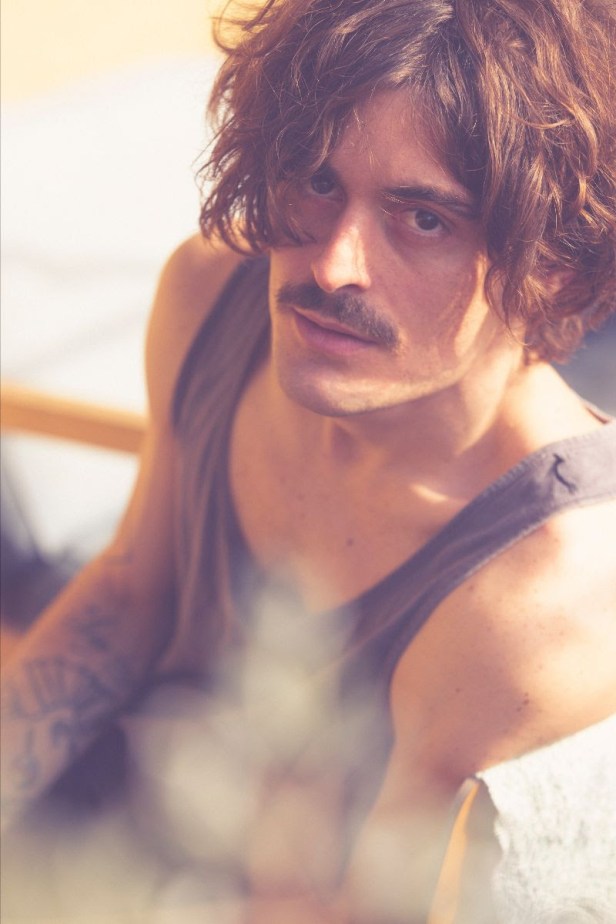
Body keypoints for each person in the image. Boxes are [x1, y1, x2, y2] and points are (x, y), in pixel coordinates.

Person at [2, 0, 616, 920]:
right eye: (317, 182)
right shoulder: (211, 291)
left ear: (552, 265)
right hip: (137, 801)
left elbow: (345, 901)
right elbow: (130, 593)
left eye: (422, 219)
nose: (333, 266)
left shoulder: (545, 593)